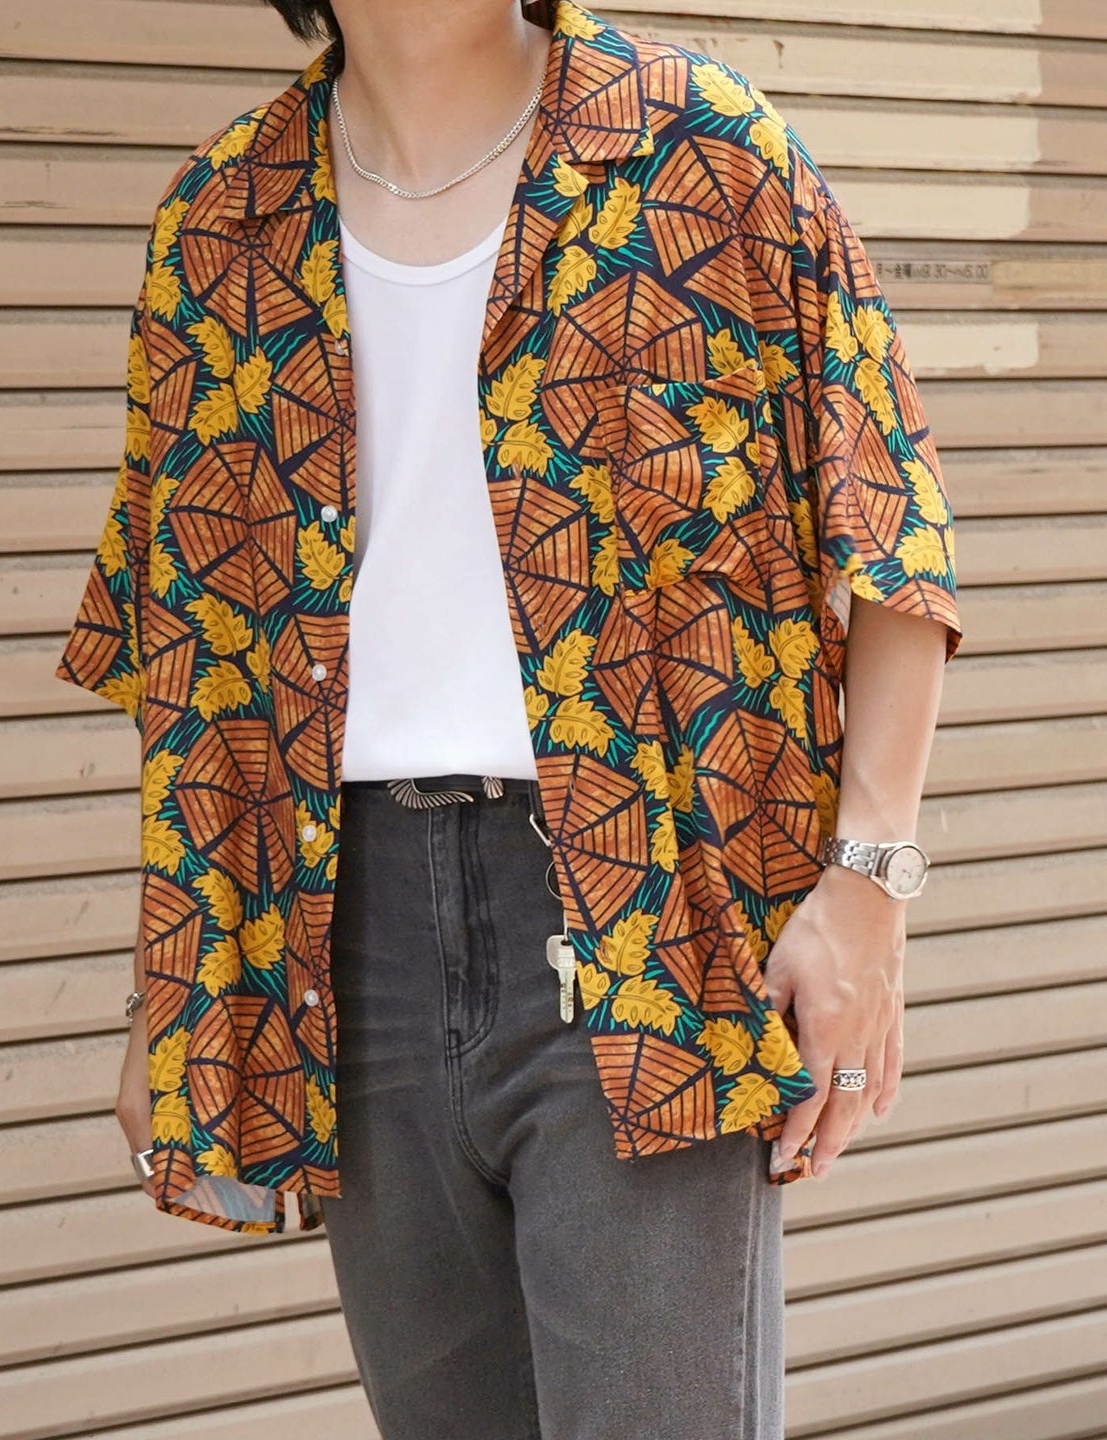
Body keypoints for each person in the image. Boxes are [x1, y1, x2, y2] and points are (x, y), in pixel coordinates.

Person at [55, 1, 963, 1435]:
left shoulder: (701, 150)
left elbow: (891, 527)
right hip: (351, 945)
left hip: (645, 913)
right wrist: (168, 983)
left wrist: (870, 888)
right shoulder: (221, 220)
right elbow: (188, 639)